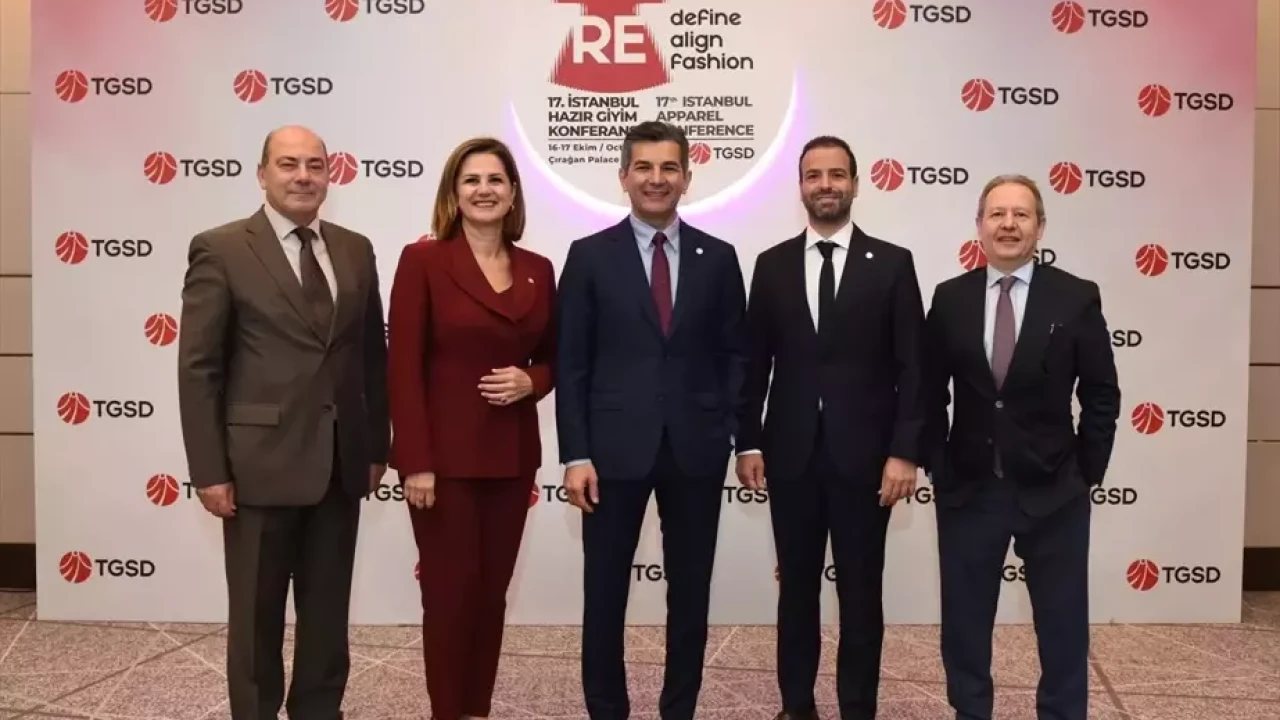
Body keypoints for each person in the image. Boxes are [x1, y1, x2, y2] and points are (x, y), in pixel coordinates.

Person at [176, 125, 389, 720]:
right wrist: (209, 471)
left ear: (330, 175)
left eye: (315, 165)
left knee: (327, 618)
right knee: (255, 619)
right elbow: (199, 367)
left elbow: (371, 356)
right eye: (289, 164)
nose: (303, 176)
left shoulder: (355, 249)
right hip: (256, 469)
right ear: (262, 174)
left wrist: (376, 447)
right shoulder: (220, 248)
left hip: (340, 465)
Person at [555, 120, 747, 720]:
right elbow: (572, 362)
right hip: (611, 452)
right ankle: (606, 710)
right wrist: (576, 454)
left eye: (668, 168)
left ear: (687, 178)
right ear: (623, 177)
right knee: (604, 592)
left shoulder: (719, 258)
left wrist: (731, 432)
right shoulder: (588, 256)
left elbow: (735, 355)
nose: (656, 179)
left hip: (696, 448)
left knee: (690, 593)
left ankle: (678, 709)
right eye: (644, 167)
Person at [734, 136, 926, 720]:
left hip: (867, 463)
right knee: (796, 589)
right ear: (800, 186)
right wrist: (748, 440)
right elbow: (753, 364)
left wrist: (904, 452)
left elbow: (913, 368)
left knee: (862, 593)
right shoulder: (771, 265)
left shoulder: (892, 264)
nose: (825, 185)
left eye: (837, 175)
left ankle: (857, 709)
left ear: (855, 184)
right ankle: (796, 706)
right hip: (790, 456)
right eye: (814, 175)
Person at [922, 174, 1120, 720]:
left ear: (1040, 227)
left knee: (1062, 627)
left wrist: (1086, 472)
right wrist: (939, 464)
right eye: (997, 214)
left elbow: (1101, 393)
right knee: (964, 628)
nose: (1008, 225)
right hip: (970, 491)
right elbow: (927, 391)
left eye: (1021, 215)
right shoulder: (950, 298)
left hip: (1055, 491)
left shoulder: (1076, 297)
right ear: (979, 226)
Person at [386, 137, 557, 720]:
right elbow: (403, 368)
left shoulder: (538, 270)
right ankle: (447, 711)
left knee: (490, 597)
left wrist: (533, 379)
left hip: (512, 459)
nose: (484, 190)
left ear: (512, 193)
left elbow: (557, 358)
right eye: (472, 180)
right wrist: (415, 461)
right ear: (453, 194)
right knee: (449, 598)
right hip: (444, 464)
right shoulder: (424, 261)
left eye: (495, 180)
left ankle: (476, 710)